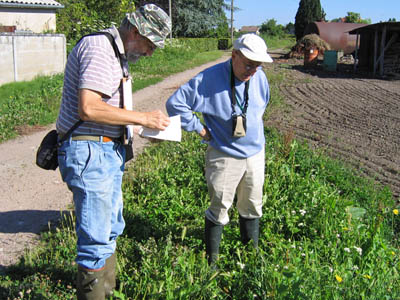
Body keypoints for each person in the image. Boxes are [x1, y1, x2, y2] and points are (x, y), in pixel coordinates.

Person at [56, 4, 171, 299]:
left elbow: (109, 109)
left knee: (109, 230)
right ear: (135, 31)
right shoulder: (100, 49)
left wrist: (141, 129)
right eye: (149, 44)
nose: (149, 53)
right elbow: (89, 107)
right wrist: (143, 118)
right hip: (90, 151)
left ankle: (107, 292)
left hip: (105, 151)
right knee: (95, 240)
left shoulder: (115, 53)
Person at [166, 34, 273, 265]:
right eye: (248, 64)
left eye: (257, 66)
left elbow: (262, 104)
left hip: (255, 153)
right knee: (220, 206)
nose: (252, 71)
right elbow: (175, 104)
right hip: (224, 154)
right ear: (234, 55)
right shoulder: (209, 79)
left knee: (253, 205)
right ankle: (212, 261)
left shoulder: (260, 78)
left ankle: (250, 255)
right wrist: (200, 129)